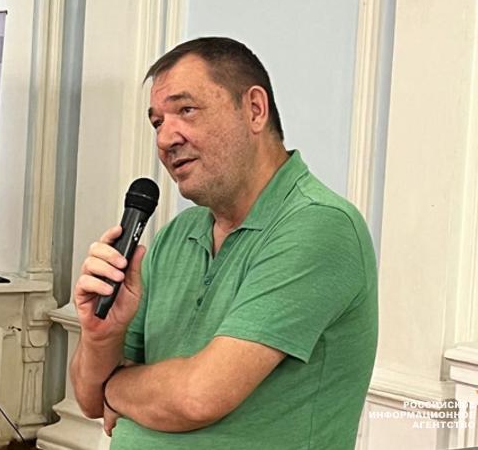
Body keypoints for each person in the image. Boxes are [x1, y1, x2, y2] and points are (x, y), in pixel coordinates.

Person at [70, 37, 378, 449]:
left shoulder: (320, 225)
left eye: (186, 110)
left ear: (254, 109)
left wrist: (116, 386)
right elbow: (89, 399)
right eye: (157, 122)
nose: (165, 138)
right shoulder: (175, 235)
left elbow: (199, 396)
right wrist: (100, 335)